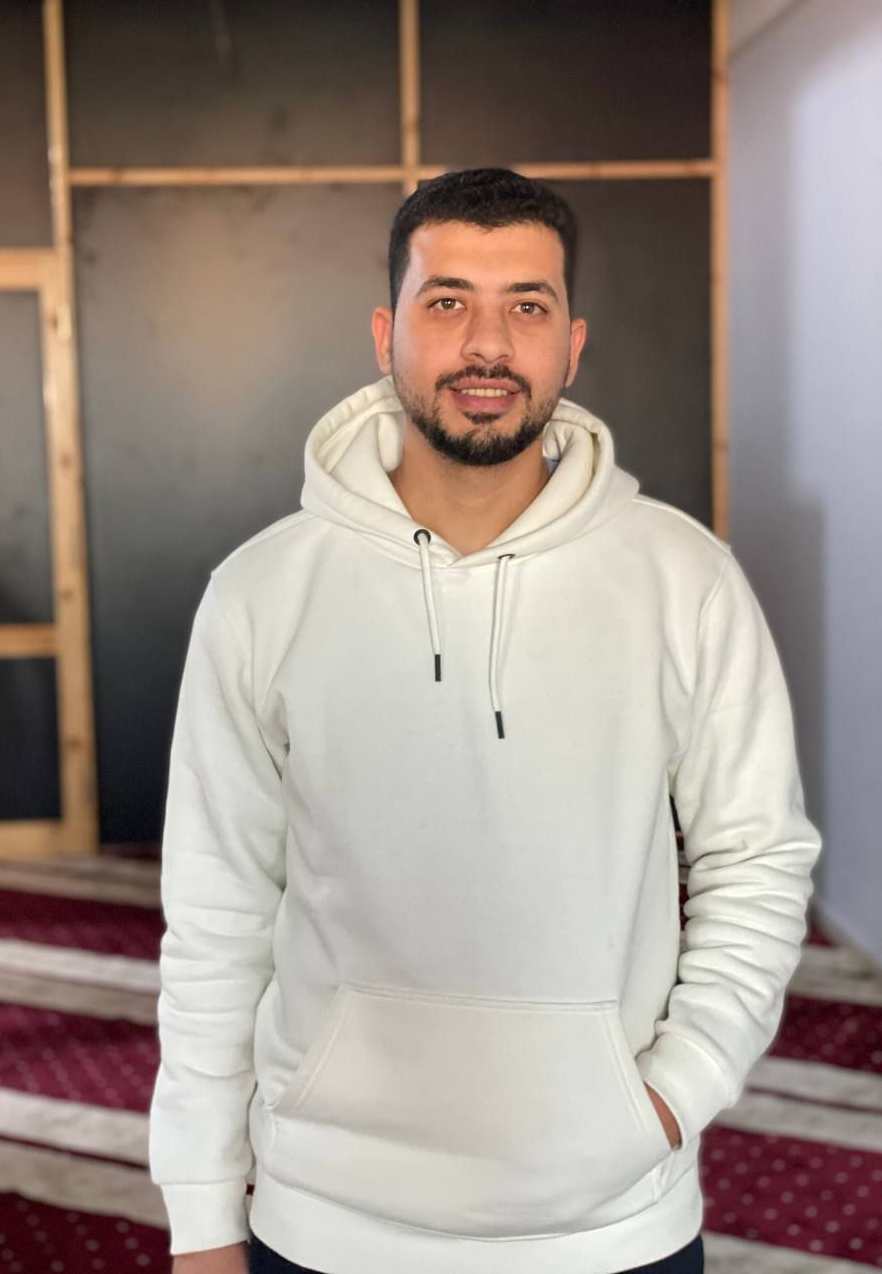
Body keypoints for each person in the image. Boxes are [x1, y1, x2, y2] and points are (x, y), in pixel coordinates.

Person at [149, 167, 823, 1274]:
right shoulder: (261, 592)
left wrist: (670, 1093)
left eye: (528, 305)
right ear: (387, 334)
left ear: (573, 346)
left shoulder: (685, 579)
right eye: (448, 300)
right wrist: (203, 1213)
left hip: (613, 1226)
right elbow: (217, 913)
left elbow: (757, 859)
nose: (488, 345)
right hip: (325, 1220)